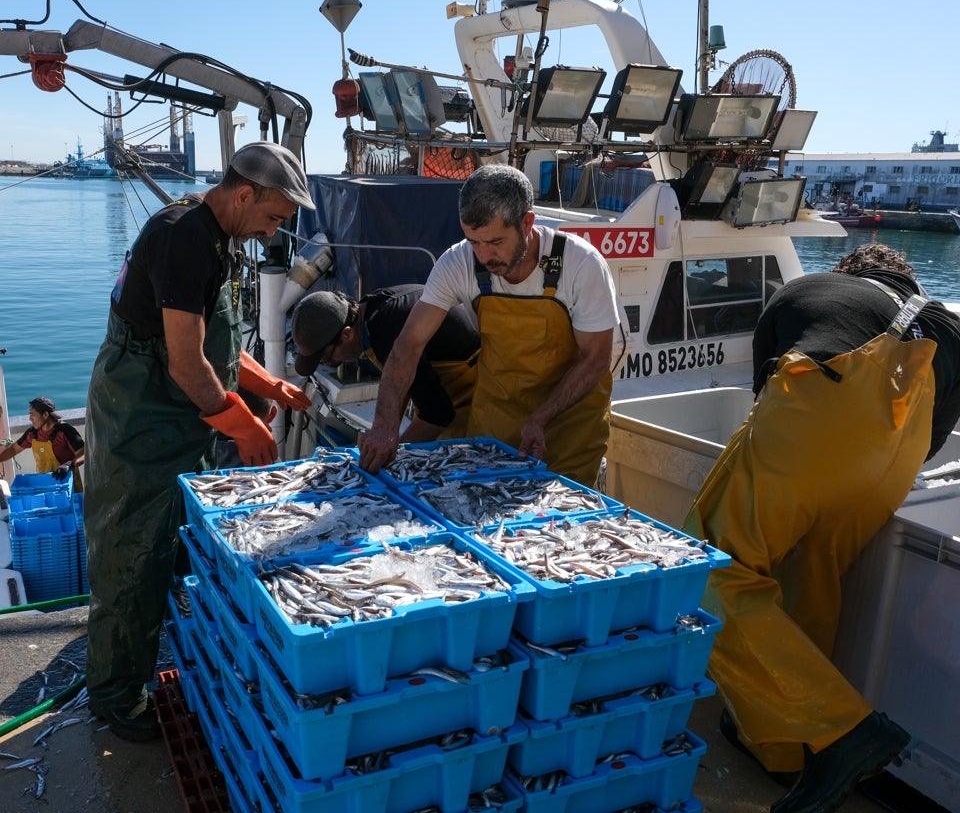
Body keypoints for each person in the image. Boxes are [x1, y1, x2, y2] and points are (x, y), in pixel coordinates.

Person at [683, 243, 960, 813]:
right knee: (816, 580)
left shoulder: (811, 288)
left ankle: (843, 731)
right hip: (892, 462)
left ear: (851, 274)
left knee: (707, 575)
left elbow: (767, 395)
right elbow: (931, 441)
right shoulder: (948, 326)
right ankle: (789, 754)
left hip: (816, 414)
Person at [82, 142, 314, 741]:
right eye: (273, 217)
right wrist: (244, 425)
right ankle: (115, 697)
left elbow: (217, 346)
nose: (273, 232)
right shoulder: (185, 237)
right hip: (142, 413)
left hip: (178, 415)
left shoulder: (215, 236)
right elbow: (187, 365)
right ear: (244, 195)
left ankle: (166, 648)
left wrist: (273, 388)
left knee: (172, 543)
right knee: (131, 552)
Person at [358, 165, 620, 485]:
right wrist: (385, 424)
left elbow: (595, 359)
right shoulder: (459, 261)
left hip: (568, 438)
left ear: (527, 223)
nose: (484, 256)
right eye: (474, 242)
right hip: (494, 433)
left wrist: (540, 418)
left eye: (495, 241)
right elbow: (409, 343)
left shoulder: (580, 265)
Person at [291, 284, 481, 442]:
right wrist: (384, 431)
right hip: (449, 392)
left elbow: (438, 413)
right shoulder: (373, 308)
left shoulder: (387, 335)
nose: (334, 363)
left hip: (477, 387)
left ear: (347, 334)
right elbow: (402, 382)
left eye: (328, 358)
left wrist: (394, 453)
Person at [0, 396, 85, 491]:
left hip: (67, 484)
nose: (30, 418)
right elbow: (13, 449)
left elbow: (83, 453)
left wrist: (69, 465)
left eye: (32, 415)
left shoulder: (66, 431)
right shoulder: (33, 433)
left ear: (45, 415)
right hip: (45, 485)